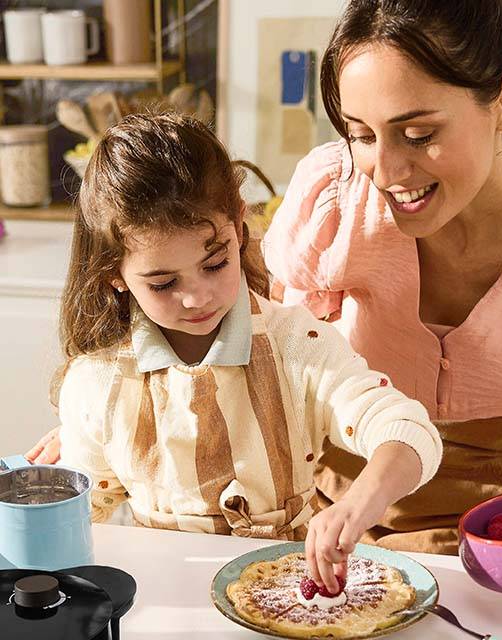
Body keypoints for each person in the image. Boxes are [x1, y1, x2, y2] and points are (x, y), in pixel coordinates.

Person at [48, 112, 442, 592]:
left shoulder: (299, 346)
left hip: (293, 596)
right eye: (163, 282)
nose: (198, 297)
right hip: (165, 601)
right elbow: (78, 520)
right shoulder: (98, 382)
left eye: (215, 263)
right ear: (116, 275)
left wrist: (360, 501)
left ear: (239, 226)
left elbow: (408, 430)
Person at [261, 0, 502, 553]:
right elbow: (279, 360)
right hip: (329, 518)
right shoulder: (332, 200)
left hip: (497, 531)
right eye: (362, 135)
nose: (387, 173)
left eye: (418, 134)